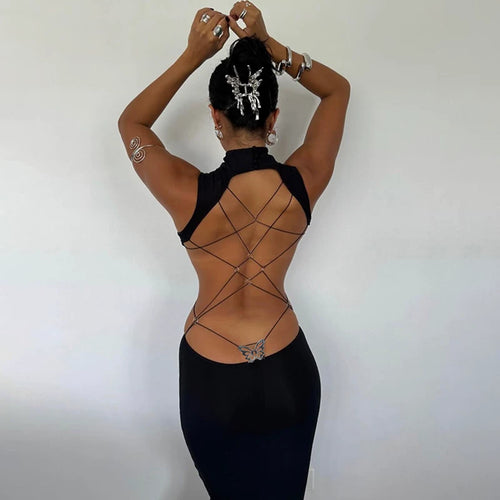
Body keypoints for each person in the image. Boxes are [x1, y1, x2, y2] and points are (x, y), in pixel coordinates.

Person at [118, 2, 350, 498]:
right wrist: (268, 45)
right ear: (274, 117)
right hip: (287, 370)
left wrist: (193, 56)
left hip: (210, 375)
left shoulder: (184, 191)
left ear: (214, 117)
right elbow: (337, 89)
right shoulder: (305, 180)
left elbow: (132, 123)